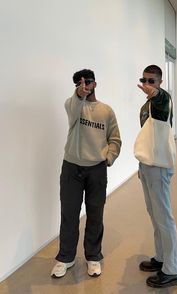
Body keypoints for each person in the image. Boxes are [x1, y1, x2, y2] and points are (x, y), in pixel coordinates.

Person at [51, 69, 121, 278]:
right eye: (79, 84)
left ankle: (93, 256)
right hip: (71, 167)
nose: (84, 86)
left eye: (88, 82)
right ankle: (66, 257)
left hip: (96, 170)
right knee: (69, 214)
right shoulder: (73, 106)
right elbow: (73, 108)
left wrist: (108, 158)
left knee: (95, 214)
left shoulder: (106, 111)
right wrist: (78, 96)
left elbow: (115, 139)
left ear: (95, 84)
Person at [136, 65, 177, 288]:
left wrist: (157, 94)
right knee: (154, 213)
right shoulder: (146, 105)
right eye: (144, 79)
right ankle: (162, 257)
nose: (147, 84)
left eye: (152, 80)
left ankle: (173, 270)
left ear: (160, 82)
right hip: (147, 165)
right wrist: (141, 165)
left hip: (159, 166)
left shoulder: (163, 100)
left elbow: (163, 99)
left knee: (164, 216)